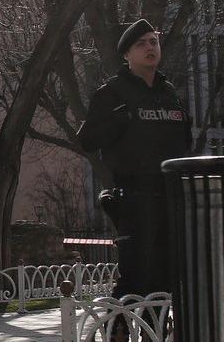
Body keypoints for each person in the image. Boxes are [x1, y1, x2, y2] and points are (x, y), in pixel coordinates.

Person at [77, 19, 193, 299]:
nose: (150, 48)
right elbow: (86, 140)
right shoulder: (112, 93)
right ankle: (116, 336)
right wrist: (119, 121)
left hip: (170, 195)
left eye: (153, 41)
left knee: (168, 274)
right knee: (135, 274)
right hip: (134, 196)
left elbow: (185, 140)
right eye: (141, 44)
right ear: (127, 54)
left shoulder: (169, 93)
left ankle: (157, 336)